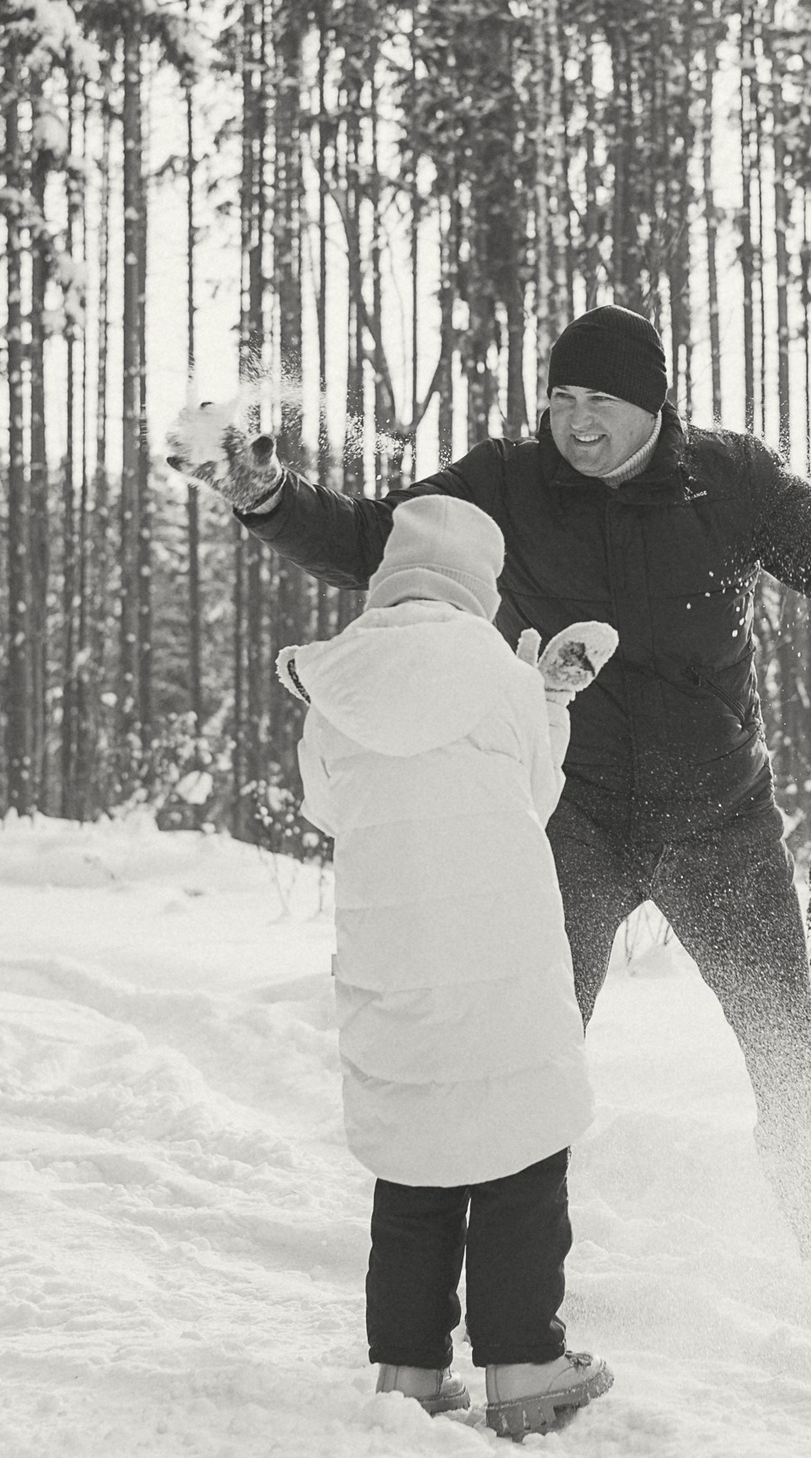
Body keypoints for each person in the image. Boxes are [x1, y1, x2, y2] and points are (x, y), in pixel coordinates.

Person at [175, 303, 811, 1260]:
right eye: (561, 397)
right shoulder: (506, 481)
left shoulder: (730, 480)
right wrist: (267, 497)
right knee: (529, 1041)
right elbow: (380, 539)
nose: (575, 421)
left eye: (601, 401)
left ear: (654, 404)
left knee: (784, 1032)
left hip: (717, 816)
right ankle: (508, 1262)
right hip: (573, 817)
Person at [279, 495, 620, 1438]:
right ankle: (523, 1365)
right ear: (479, 586)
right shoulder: (499, 674)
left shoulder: (337, 681)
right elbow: (533, 796)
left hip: (392, 960)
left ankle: (408, 1373)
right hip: (498, 952)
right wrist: (547, 701)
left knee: (414, 1160)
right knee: (518, 1152)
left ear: (390, 579)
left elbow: (327, 808)